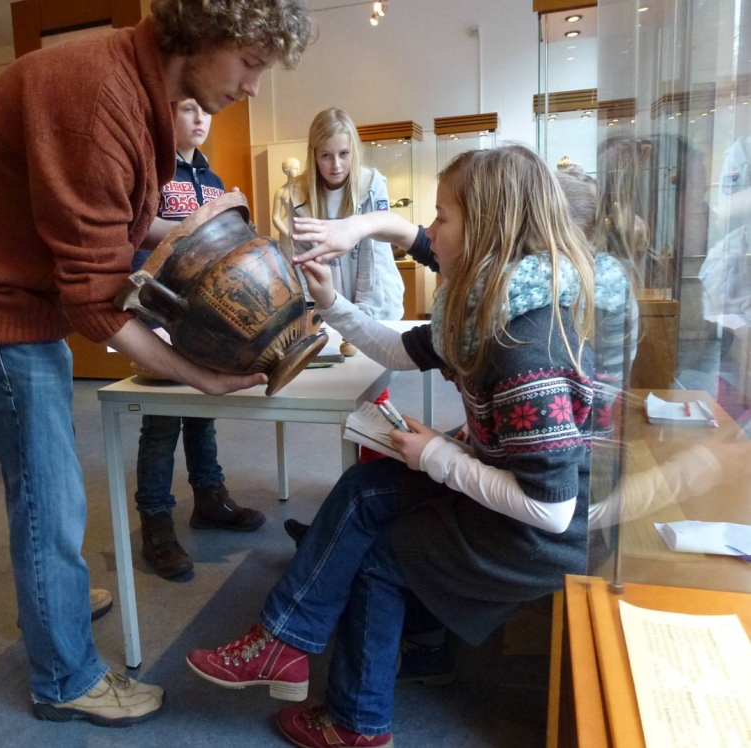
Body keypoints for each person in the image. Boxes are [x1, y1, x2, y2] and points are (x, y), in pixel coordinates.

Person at [0, 0, 314, 728]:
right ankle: (63, 679)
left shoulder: (140, 91)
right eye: (253, 63)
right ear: (208, 34)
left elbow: (121, 223)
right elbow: (97, 303)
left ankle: (54, 598)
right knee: (49, 494)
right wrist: (201, 376)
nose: (254, 86)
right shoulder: (96, 94)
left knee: (47, 475)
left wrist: (202, 226)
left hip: (25, 290)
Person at [186, 145, 595, 747]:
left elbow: (552, 509)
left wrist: (439, 456)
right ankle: (284, 642)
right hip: (510, 501)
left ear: (483, 228)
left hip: (535, 538)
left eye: (442, 218)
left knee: (383, 554)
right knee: (360, 489)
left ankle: (357, 723)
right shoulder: (486, 309)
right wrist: (331, 304)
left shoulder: (522, 345)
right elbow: (399, 350)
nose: (429, 233)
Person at [132, 99, 265, 580]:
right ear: (165, 116)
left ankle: (208, 496)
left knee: (203, 412)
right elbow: (136, 236)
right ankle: (156, 523)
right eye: (188, 109)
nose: (201, 118)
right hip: (161, 314)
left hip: (204, 320)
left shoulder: (209, 180)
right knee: (162, 424)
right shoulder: (150, 171)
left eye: (206, 111)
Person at [294, 107, 404, 319]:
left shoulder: (372, 185)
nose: (336, 165)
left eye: (343, 154)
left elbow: (373, 257)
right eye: (326, 155)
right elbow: (303, 259)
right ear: (314, 154)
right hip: (328, 307)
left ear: (353, 150)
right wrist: (314, 311)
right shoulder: (298, 194)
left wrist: (363, 317)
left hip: (376, 307)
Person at [272, 157, 303, 257]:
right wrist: (287, 234)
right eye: (294, 168)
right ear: (286, 172)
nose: (298, 171)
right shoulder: (281, 192)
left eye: (299, 168)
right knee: (288, 259)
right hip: (287, 228)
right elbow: (275, 217)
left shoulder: (305, 189)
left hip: (303, 227)